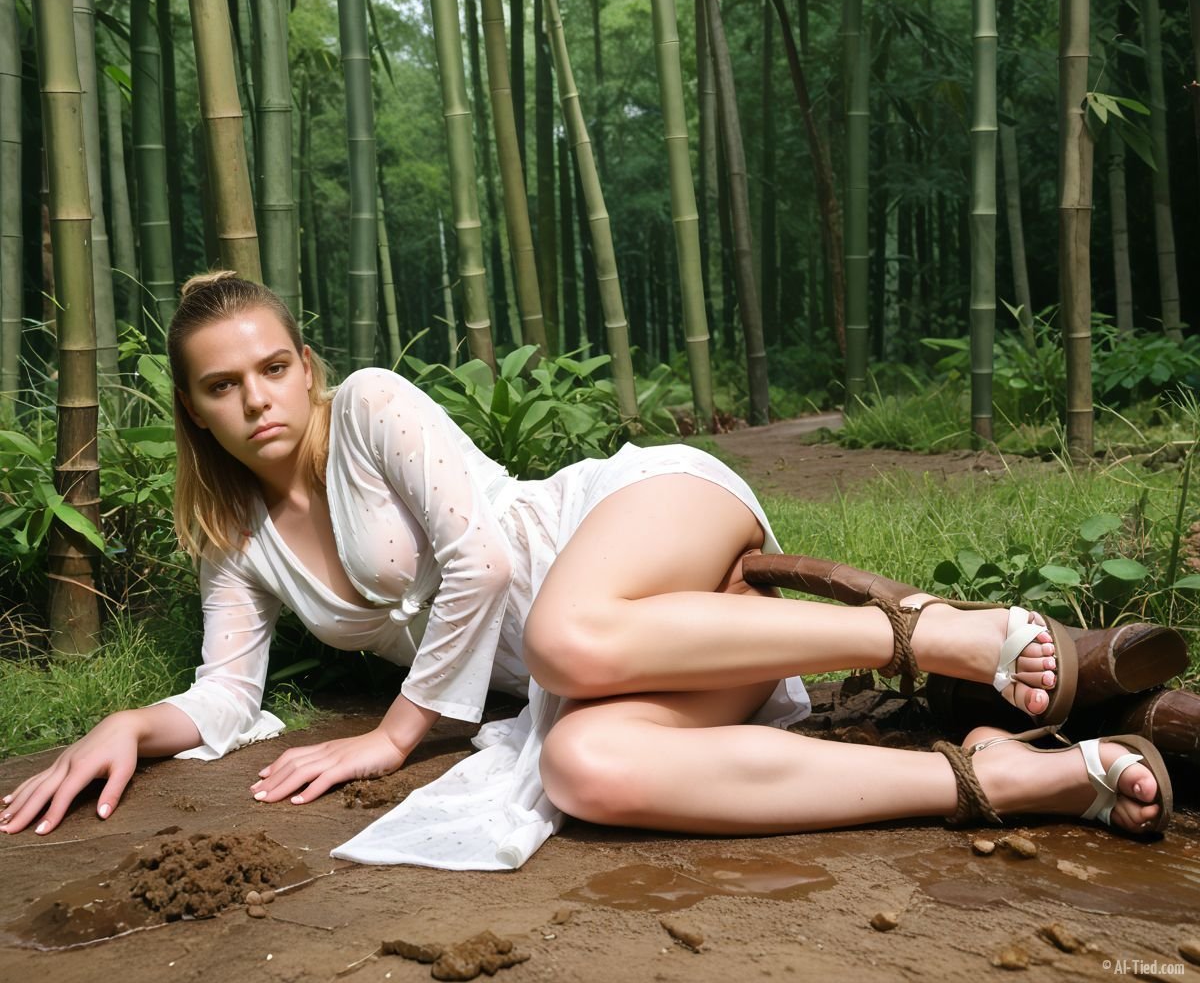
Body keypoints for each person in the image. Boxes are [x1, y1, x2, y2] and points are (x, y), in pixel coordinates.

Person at [0, 273, 1176, 867]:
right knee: (584, 767)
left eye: (271, 368)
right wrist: (128, 723)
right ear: (195, 410)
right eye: (222, 385)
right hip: (622, 662)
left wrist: (397, 736)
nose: (256, 399)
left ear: (306, 366)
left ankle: (937, 634)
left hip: (632, 522)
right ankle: (1005, 778)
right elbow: (224, 692)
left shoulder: (368, 409)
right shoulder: (237, 538)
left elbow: (481, 559)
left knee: (563, 636)